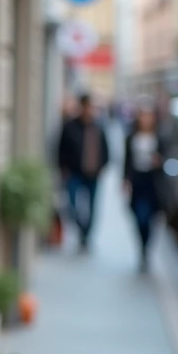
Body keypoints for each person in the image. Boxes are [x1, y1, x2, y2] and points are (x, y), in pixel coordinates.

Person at [57, 93, 109, 252]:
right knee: (72, 204)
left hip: (93, 174)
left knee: (92, 207)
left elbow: (106, 151)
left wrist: (102, 168)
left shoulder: (99, 127)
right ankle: (81, 227)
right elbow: (61, 149)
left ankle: (86, 235)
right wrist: (63, 168)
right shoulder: (70, 126)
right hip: (75, 173)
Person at [123, 105, 166, 273]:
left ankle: (146, 249)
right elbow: (127, 160)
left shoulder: (159, 137)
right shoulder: (131, 137)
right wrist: (125, 180)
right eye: (143, 116)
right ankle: (142, 247)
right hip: (138, 181)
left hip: (153, 182)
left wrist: (159, 161)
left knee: (150, 218)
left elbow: (167, 159)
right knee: (139, 217)